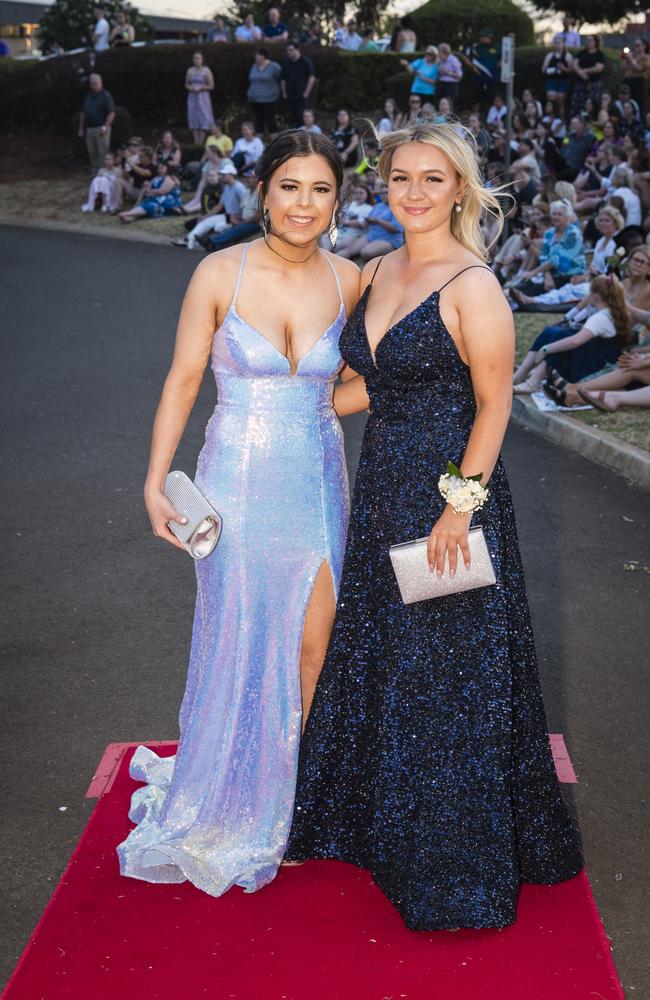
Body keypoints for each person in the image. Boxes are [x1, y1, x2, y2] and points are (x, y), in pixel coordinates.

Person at [284, 120, 584, 929]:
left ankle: (453, 869)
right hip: (381, 490)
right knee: (388, 661)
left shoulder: (472, 283)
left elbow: (495, 406)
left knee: (449, 680)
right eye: (400, 178)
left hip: (450, 500)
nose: (413, 193)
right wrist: (277, 407)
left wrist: (459, 507)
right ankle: (375, 832)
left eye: (432, 179)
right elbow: (368, 387)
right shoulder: (377, 268)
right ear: (383, 185)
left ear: (460, 189)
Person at [116, 129, 359, 896]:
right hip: (235, 485)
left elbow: (360, 385)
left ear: (336, 202)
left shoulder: (352, 279)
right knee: (241, 633)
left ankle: (294, 806)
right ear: (264, 192)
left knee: (316, 641)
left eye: (320, 190)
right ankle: (230, 796)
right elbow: (185, 379)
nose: (304, 204)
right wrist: (157, 481)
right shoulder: (219, 271)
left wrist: (320, 411)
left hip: (318, 481)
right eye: (290, 186)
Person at [513, 274, 630, 392]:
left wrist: (545, 349)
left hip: (592, 367)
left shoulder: (600, 318)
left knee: (561, 337)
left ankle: (534, 382)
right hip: (591, 358)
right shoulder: (606, 311)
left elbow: (575, 341)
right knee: (551, 331)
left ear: (594, 296)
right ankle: (520, 375)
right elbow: (577, 316)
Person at [175, 161, 248, 249]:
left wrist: (237, 217)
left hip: (235, 218)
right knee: (206, 221)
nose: (222, 177)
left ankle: (207, 243)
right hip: (227, 216)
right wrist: (206, 216)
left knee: (218, 227)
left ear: (232, 175)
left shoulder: (239, 188)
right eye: (222, 174)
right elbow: (219, 205)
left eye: (224, 174)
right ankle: (189, 239)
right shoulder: (227, 187)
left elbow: (245, 204)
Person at [119, 161, 183, 222]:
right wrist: (147, 185)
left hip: (168, 202)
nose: (160, 169)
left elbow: (163, 191)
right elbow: (149, 189)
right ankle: (131, 217)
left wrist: (150, 191)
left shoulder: (170, 178)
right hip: (156, 199)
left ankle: (128, 214)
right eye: (159, 168)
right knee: (145, 203)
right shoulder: (156, 178)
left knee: (151, 205)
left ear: (168, 168)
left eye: (162, 167)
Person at [78, 73, 115, 174]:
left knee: (102, 152)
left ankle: (103, 172)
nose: (94, 86)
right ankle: (94, 170)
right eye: (92, 84)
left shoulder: (105, 96)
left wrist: (105, 126)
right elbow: (83, 113)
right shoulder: (88, 96)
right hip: (90, 128)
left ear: (101, 83)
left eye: (96, 83)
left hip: (101, 128)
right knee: (92, 151)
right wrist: (81, 128)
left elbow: (111, 113)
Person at [247, 47, 282, 136]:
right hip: (255, 99)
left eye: (257, 55)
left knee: (271, 121)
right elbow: (251, 79)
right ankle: (258, 144)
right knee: (258, 121)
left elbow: (281, 79)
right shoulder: (254, 66)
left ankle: (276, 144)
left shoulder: (274, 66)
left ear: (263, 56)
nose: (255, 57)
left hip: (269, 99)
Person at [281, 41, 316, 128]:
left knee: (302, 119)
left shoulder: (305, 62)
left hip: (301, 97)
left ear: (297, 50)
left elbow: (312, 77)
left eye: (291, 50)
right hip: (290, 96)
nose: (289, 52)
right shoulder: (286, 63)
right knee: (292, 120)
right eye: (288, 50)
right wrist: (284, 93)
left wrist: (306, 93)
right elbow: (283, 79)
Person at [463, 27, 500, 109]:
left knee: (492, 100)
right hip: (478, 79)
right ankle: (475, 116)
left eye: (485, 36)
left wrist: (499, 64)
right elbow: (465, 57)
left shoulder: (497, 47)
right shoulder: (475, 47)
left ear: (490, 37)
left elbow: (504, 58)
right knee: (476, 100)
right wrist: (472, 66)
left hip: (492, 79)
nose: (482, 38)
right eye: (481, 36)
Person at [570, 36, 605, 119]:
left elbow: (599, 68)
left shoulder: (599, 54)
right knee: (577, 105)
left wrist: (585, 71)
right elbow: (574, 64)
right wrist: (580, 73)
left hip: (594, 84)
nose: (587, 42)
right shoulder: (582, 53)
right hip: (581, 83)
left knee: (592, 104)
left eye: (590, 40)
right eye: (587, 40)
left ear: (595, 42)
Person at [185, 51, 215, 145]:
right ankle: (196, 142)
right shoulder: (190, 70)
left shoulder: (206, 70)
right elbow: (186, 84)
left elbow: (211, 86)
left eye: (198, 58)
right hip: (192, 97)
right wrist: (191, 88)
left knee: (203, 117)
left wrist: (201, 88)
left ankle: (201, 142)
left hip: (203, 97)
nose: (196, 60)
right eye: (195, 58)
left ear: (202, 60)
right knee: (194, 117)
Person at [541, 37, 573, 116]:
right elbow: (543, 69)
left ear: (563, 44)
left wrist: (563, 68)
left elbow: (572, 70)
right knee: (551, 99)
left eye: (559, 43)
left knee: (560, 100)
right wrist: (550, 70)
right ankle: (550, 117)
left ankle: (561, 118)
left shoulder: (567, 56)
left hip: (562, 80)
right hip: (552, 80)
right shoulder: (550, 55)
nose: (557, 45)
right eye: (556, 43)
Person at [622, 39, 650, 117]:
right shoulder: (632, 55)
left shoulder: (646, 57)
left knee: (638, 103)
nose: (636, 47)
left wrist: (631, 59)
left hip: (638, 82)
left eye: (638, 45)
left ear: (644, 46)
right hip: (627, 81)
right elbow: (624, 69)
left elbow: (639, 68)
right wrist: (624, 58)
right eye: (635, 45)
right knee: (625, 102)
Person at [437, 43, 463, 108]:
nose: (438, 54)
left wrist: (447, 72)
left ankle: (451, 118)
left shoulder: (454, 60)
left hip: (451, 85)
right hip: (442, 83)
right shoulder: (440, 60)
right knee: (441, 103)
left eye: (439, 52)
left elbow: (459, 76)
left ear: (445, 52)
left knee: (450, 104)